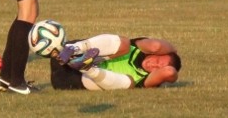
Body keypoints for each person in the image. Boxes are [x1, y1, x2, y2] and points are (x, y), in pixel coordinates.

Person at [51, 34, 181, 90]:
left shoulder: (145, 79)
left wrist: (169, 68)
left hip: (71, 79)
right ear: (154, 54)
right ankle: (75, 49)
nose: (154, 64)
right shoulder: (139, 48)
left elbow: (169, 72)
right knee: (125, 43)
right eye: (157, 60)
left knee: (129, 83)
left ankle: (87, 67)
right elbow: (156, 46)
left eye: (158, 67)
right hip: (64, 54)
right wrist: (173, 50)